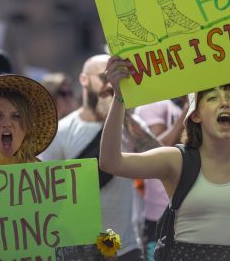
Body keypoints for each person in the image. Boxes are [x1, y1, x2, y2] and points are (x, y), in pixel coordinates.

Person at [100, 55, 230, 260]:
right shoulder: (177, 161)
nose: (225, 103)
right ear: (195, 115)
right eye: (213, 98)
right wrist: (119, 97)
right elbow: (110, 161)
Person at [39, 54, 146, 261]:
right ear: (84, 80)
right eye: (104, 78)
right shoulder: (60, 132)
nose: (111, 84)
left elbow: (157, 156)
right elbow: (46, 191)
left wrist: (125, 117)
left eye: (116, 78)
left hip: (126, 247)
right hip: (80, 250)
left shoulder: (131, 125)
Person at [134, 99, 188, 260]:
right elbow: (151, 152)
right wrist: (183, 118)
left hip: (194, 210)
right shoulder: (154, 103)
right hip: (161, 214)